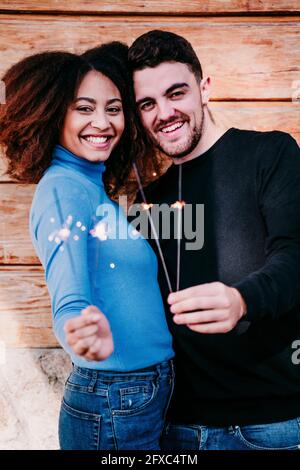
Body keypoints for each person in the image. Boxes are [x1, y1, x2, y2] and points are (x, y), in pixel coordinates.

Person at [128, 30, 300, 450]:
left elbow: (295, 255)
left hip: (273, 425)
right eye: (147, 104)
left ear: (204, 89)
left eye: (176, 93)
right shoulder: (146, 201)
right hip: (177, 431)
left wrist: (242, 300)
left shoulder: (271, 153)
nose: (164, 113)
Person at [0, 42, 174, 450]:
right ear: (54, 113)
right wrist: (80, 336)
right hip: (114, 396)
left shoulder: (89, 188)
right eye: (84, 108)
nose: (102, 122)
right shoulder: (64, 191)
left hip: (135, 393)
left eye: (114, 109)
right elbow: (69, 302)